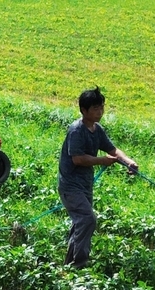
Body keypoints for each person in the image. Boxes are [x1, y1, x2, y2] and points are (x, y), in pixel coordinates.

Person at [58, 86, 138, 269]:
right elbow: (78, 159)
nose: (100, 112)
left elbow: (112, 150)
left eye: (101, 107)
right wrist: (102, 160)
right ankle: (79, 264)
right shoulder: (77, 130)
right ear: (83, 110)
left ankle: (70, 265)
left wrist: (128, 161)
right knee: (87, 219)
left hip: (85, 185)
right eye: (95, 108)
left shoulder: (97, 129)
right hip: (70, 186)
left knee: (81, 223)